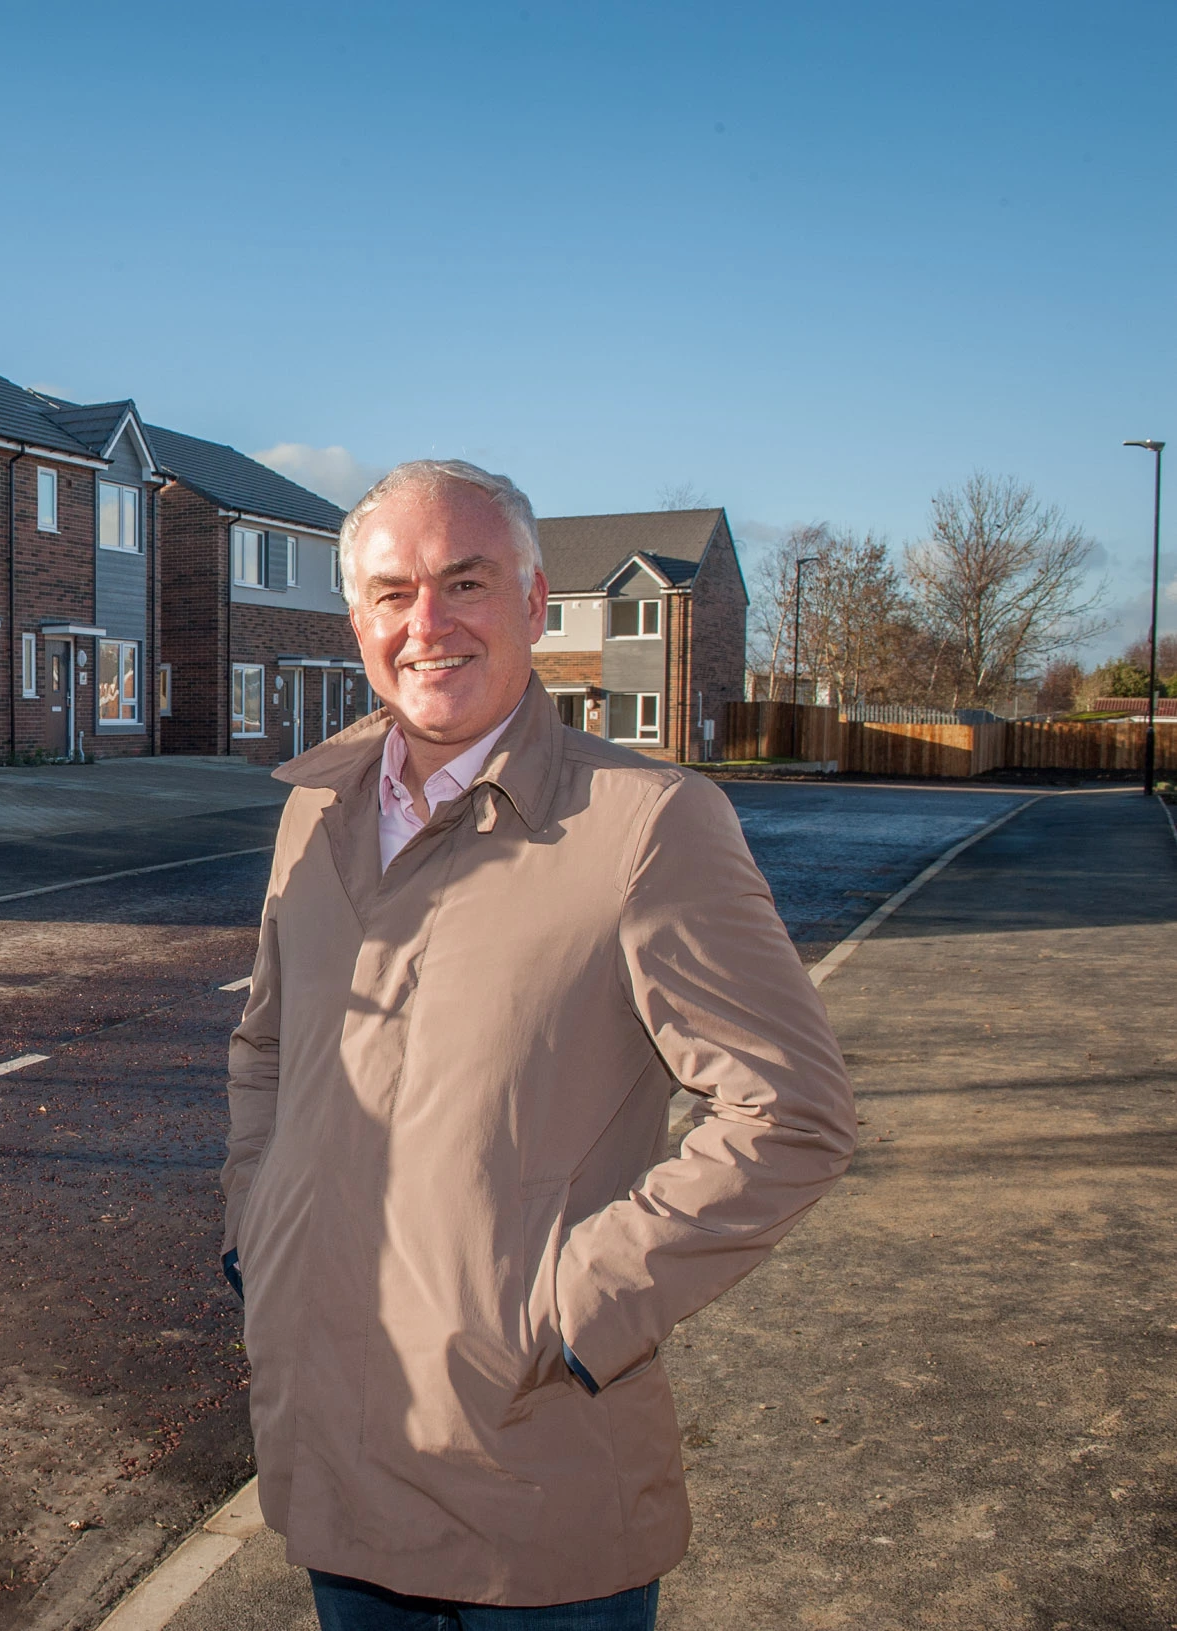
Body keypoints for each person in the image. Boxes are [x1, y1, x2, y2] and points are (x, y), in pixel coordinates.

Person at [221, 461, 856, 1630]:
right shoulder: (314, 811)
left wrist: (570, 1305)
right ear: (357, 618)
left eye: (465, 581)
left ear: (530, 600)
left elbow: (792, 1113)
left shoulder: (648, 823)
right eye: (393, 592)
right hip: (339, 1473)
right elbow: (266, 1043)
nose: (428, 623)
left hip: (534, 1493)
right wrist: (255, 1230)